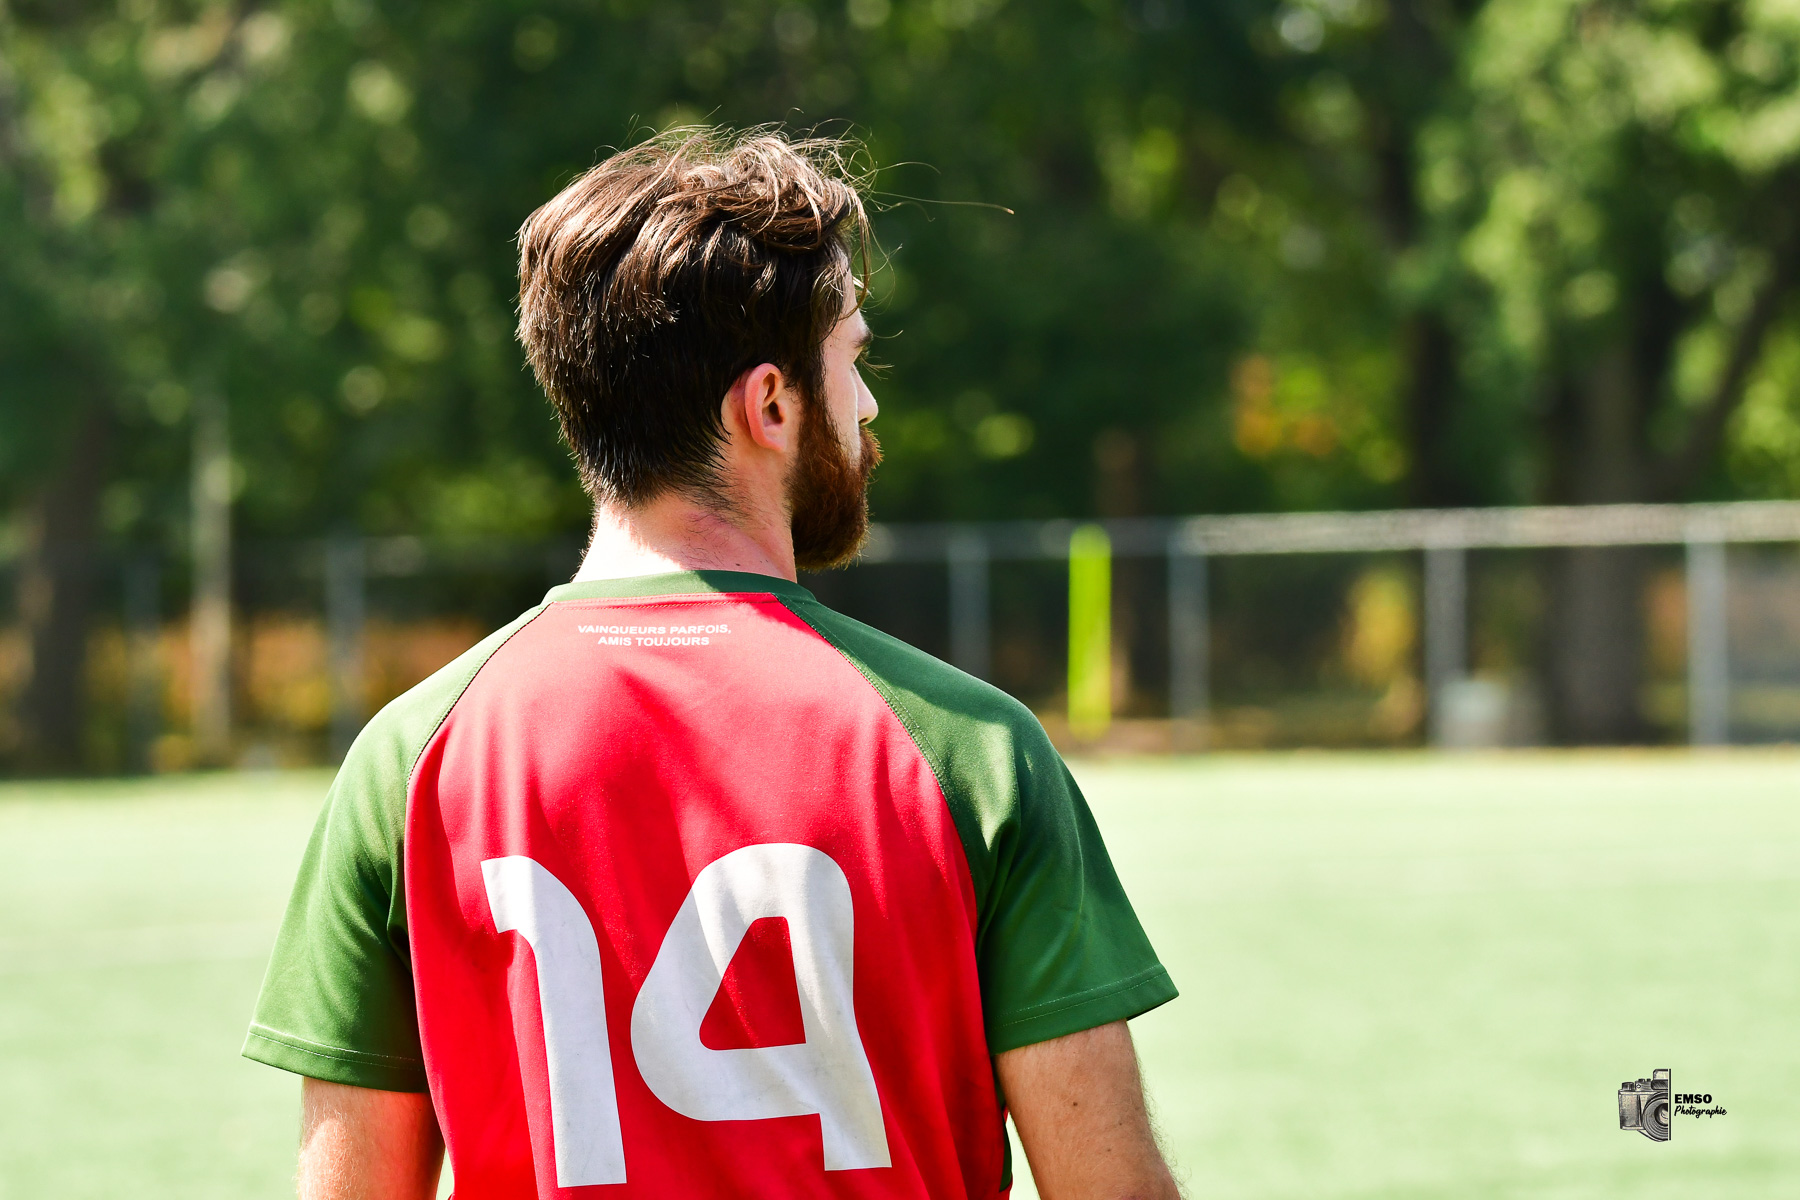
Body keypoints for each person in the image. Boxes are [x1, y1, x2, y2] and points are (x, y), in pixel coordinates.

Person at [244, 127, 1181, 1200]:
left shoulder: (411, 761)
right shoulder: (968, 749)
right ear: (770, 404)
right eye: (854, 361)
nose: (868, 407)